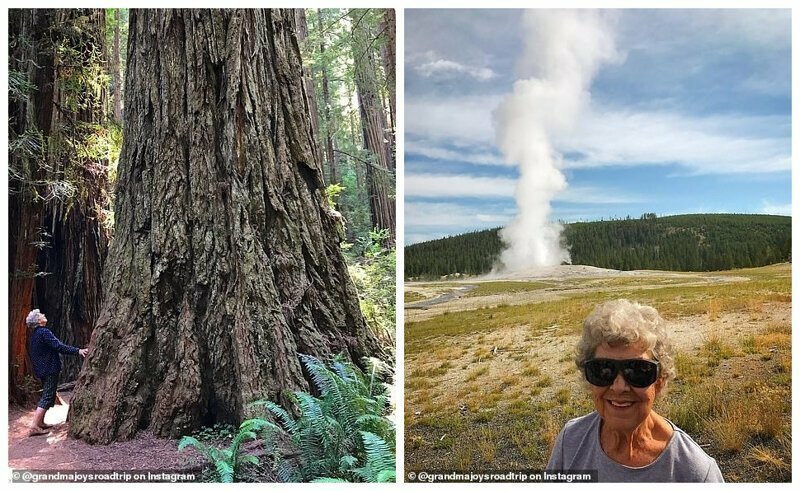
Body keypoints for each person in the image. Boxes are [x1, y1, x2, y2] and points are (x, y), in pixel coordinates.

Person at [546, 299, 723, 482]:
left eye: (638, 370)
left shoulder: (694, 472)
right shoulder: (571, 441)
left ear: (660, 380)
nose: (619, 387)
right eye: (603, 370)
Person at [26, 309, 88, 436]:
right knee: (48, 396)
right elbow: (58, 346)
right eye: (41, 315)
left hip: (43, 369)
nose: (44, 315)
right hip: (49, 369)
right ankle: (34, 426)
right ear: (38, 320)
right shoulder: (44, 332)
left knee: (49, 395)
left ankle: (40, 423)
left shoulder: (36, 334)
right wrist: (78, 351)